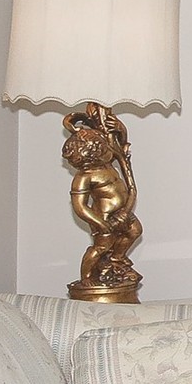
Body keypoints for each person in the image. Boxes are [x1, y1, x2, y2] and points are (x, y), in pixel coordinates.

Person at [62, 117, 142, 289]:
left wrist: (120, 128)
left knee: (135, 231)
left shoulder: (107, 164)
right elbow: (80, 206)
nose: (107, 147)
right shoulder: (84, 177)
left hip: (123, 211)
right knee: (100, 247)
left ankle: (116, 258)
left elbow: (118, 144)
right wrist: (100, 223)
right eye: (102, 146)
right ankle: (86, 277)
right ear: (92, 154)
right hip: (103, 217)